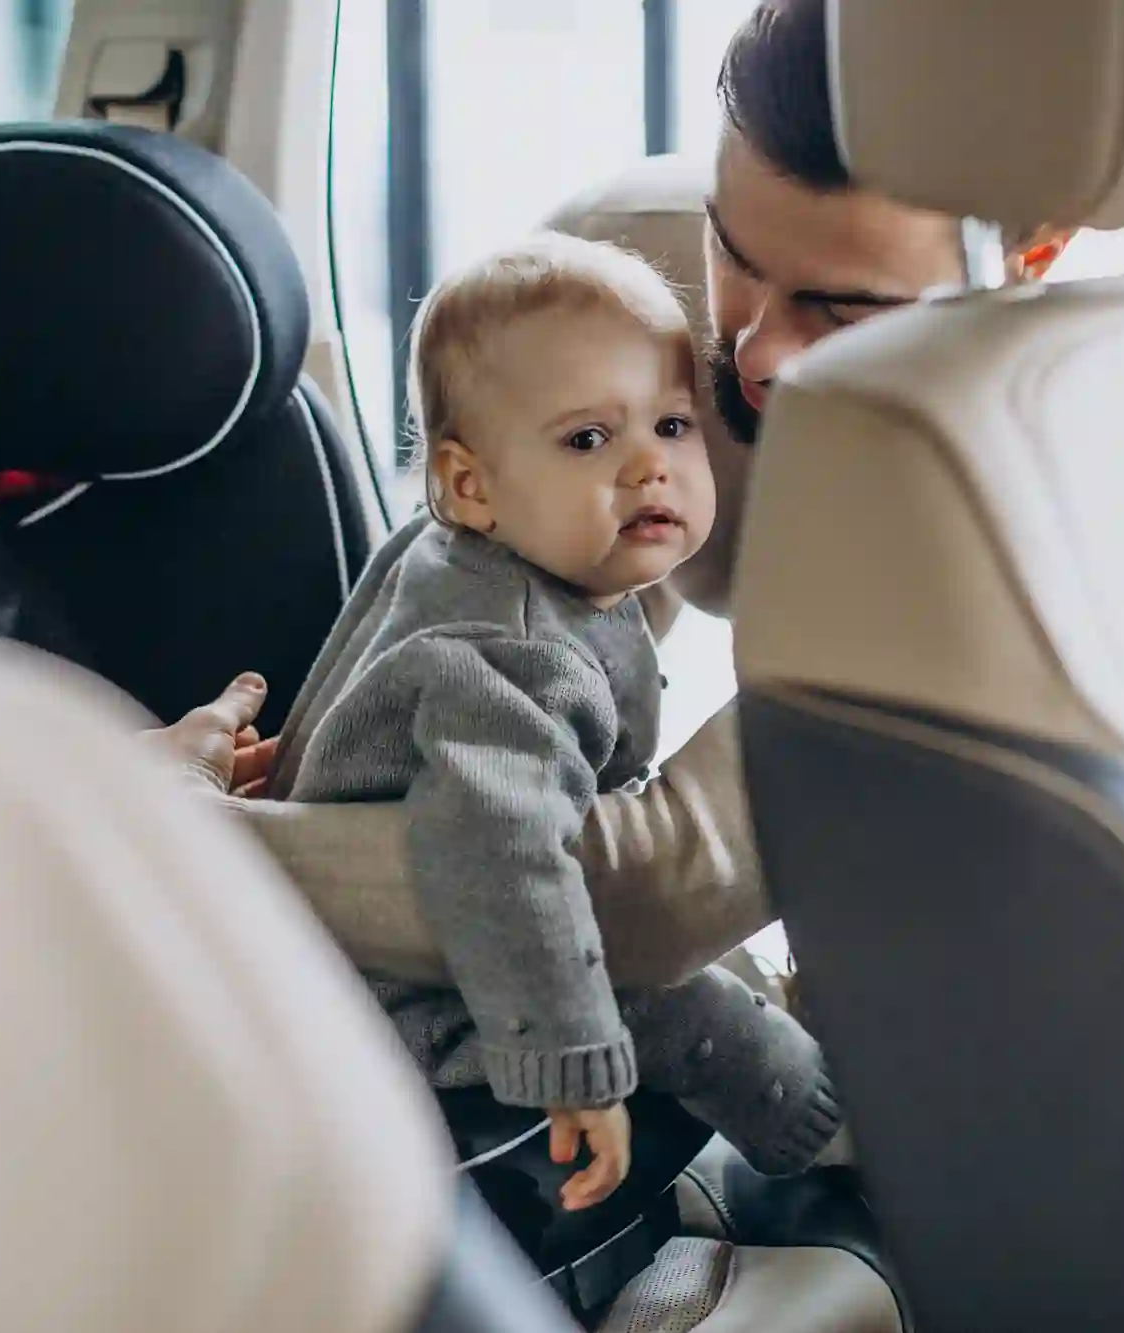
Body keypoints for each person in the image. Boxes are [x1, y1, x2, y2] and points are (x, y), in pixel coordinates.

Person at [155, 0, 1074, 993]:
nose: (755, 347)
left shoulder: (1030, 487)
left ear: (1032, 254)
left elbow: (642, 893)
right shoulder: (620, 289)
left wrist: (159, 830)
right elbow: (482, 659)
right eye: (735, 254)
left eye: (841, 308)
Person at [277, 233, 839, 1211]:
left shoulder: (451, 551)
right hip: (421, 995)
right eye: (588, 439)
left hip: (408, 947)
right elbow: (502, 852)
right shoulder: (511, 653)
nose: (647, 469)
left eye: (670, 425)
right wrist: (574, 1066)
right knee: (679, 999)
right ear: (469, 486)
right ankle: (825, 1135)